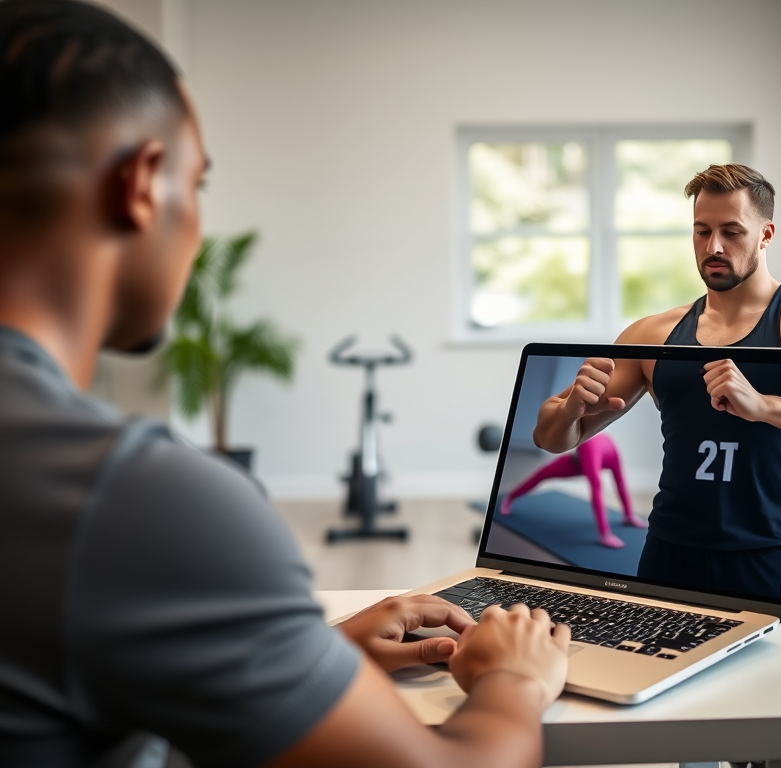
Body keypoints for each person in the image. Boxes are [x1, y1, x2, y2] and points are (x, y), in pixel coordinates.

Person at [0, 2, 569, 767]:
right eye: (196, 184)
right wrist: (512, 681)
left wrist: (295, 661)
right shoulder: (129, 500)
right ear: (140, 185)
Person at [534, 163, 781, 601]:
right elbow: (551, 437)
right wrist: (573, 406)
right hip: (666, 553)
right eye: (701, 231)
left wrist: (764, 406)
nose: (713, 246)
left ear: (766, 234)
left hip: (763, 554)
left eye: (732, 231)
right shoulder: (653, 335)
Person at [500, 433, 647, 549]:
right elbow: (596, 489)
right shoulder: (588, 446)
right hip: (574, 463)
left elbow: (620, 482)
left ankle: (627, 517)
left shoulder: (609, 447)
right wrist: (605, 534)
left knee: (612, 480)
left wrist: (628, 515)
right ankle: (510, 498)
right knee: (541, 474)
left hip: (594, 456)